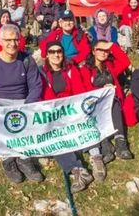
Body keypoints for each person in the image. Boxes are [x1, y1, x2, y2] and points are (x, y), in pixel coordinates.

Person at [0, 24, 44, 183]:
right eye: (7, 40)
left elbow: (36, 86)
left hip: (22, 102)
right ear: (0, 41)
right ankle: (8, 159)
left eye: (15, 40)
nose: (12, 44)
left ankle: (24, 158)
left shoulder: (27, 60)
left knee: (25, 123)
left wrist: (29, 104)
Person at [39, 41, 95, 191]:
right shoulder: (42, 73)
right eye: (52, 52)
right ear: (47, 54)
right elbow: (43, 96)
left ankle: (81, 167)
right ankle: (78, 170)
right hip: (54, 113)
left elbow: (79, 91)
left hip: (72, 111)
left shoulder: (71, 69)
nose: (56, 54)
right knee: (54, 136)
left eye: (59, 51)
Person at [80, 40, 134, 162]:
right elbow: (85, 89)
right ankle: (105, 145)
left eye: (106, 50)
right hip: (94, 103)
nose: (104, 52)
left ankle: (121, 143)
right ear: (93, 51)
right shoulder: (86, 68)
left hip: (112, 101)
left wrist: (112, 46)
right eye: (100, 49)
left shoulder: (110, 65)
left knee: (114, 102)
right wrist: (101, 90)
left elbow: (125, 62)